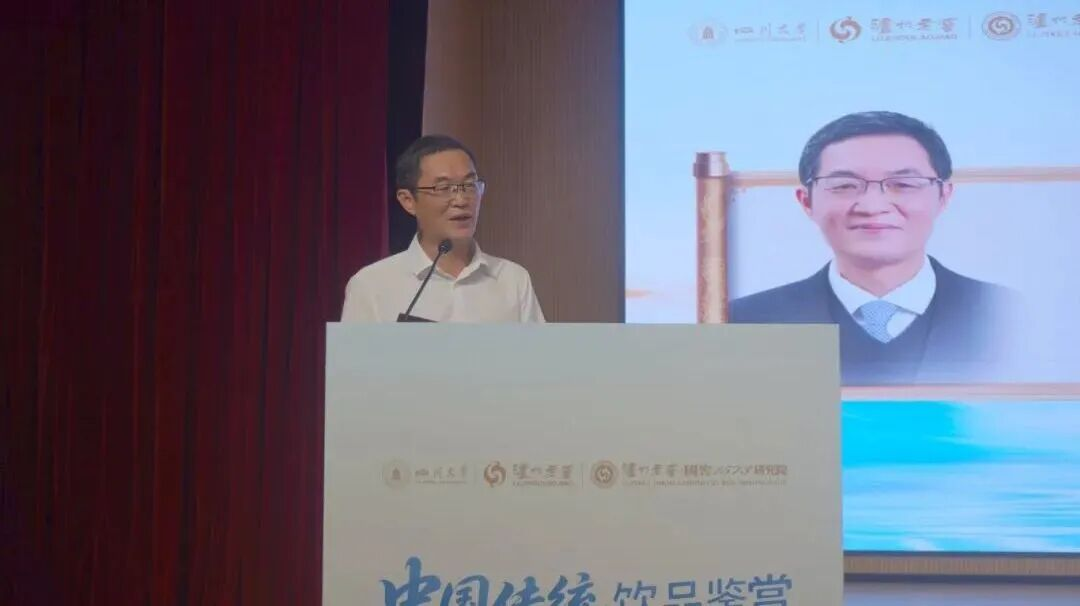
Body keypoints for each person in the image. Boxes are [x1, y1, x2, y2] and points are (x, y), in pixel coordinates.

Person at [729, 111, 1021, 384]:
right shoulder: (746, 323)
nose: (872, 206)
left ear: (943, 196)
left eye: (903, 184)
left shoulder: (1006, 314)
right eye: (844, 185)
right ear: (806, 201)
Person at [341, 135, 545, 323]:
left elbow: (538, 352)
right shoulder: (371, 285)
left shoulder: (513, 280)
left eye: (469, 185)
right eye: (443, 188)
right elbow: (354, 354)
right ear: (408, 201)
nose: (461, 200)